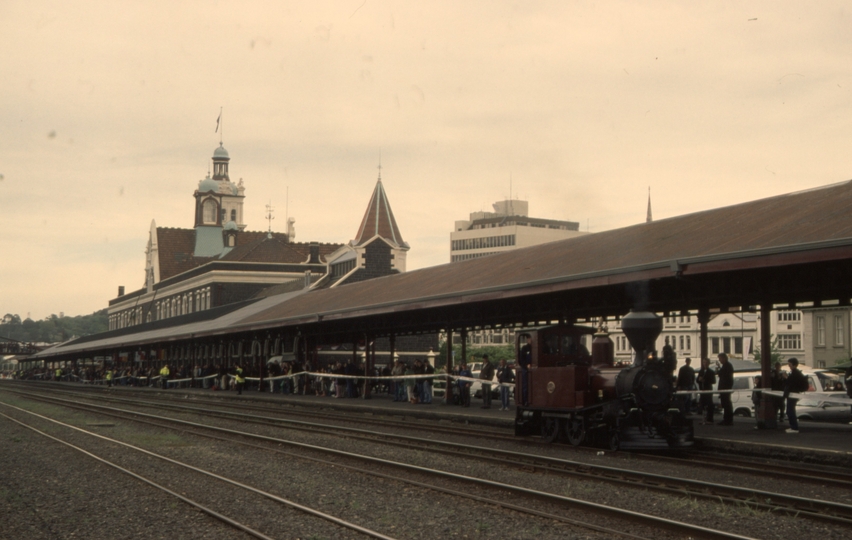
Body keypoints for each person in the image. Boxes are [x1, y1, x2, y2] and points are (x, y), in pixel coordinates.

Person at [784, 358, 808, 433]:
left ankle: (794, 427)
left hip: (793, 394)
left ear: (794, 365)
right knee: (789, 410)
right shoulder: (796, 373)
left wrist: (786, 377)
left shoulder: (795, 373)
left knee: (790, 410)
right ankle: (793, 426)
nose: (789, 366)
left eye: (790, 364)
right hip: (793, 394)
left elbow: (791, 383)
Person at [696, 357, 716, 425]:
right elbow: (697, 380)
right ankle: (703, 419)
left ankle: (710, 419)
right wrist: (699, 380)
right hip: (702, 390)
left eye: (706, 362)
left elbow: (713, 381)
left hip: (708, 390)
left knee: (709, 404)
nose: (705, 364)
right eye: (704, 362)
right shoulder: (701, 371)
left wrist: (705, 381)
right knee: (702, 404)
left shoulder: (711, 372)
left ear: (709, 363)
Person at [716, 353, 734, 425]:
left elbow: (725, 377)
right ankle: (727, 419)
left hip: (725, 387)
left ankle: (728, 420)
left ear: (724, 358)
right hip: (724, 387)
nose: (720, 360)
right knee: (725, 403)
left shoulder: (728, 366)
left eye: (720, 359)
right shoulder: (726, 366)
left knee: (727, 404)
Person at [518, 335, 532, 406]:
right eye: (529, 339)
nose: (530, 340)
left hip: (533, 368)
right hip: (525, 369)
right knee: (525, 385)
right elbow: (521, 359)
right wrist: (526, 365)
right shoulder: (524, 348)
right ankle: (525, 400)